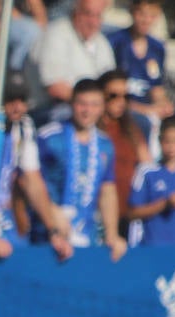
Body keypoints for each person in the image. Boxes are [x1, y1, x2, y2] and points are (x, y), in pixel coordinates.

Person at [0, 74, 73, 259]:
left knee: (19, 249)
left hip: (4, 213)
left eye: (22, 100)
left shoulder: (24, 126)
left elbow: (33, 180)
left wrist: (53, 230)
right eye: (10, 99)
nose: (17, 106)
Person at [35, 78, 127, 260]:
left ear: (102, 108)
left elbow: (107, 190)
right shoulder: (48, 137)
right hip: (47, 237)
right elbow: (32, 182)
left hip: (86, 237)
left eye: (94, 105)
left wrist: (112, 234)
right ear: (72, 104)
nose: (87, 111)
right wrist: (52, 213)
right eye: (82, 104)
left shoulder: (105, 144)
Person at [31, 0, 114, 119]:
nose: (93, 21)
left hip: (91, 110)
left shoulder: (101, 42)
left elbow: (111, 84)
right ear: (76, 12)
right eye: (88, 14)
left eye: (98, 16)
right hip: (52, 109)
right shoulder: (57, 34)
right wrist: (92, 105)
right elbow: (55, 88)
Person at [99, 68, 153, 224]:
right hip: (99, 213)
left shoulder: (132, 129)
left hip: (127, 212)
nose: (121, 101)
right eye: (113, 96)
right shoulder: (91, 131)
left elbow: (147, 166)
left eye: (126, 96)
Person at [107, 0, 172, 124]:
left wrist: (163, 104)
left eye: (152, 15)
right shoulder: (115, 42)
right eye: (142, 14)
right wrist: (144, 110)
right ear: (132, 11)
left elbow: (156, 87)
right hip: (124, 109)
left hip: (148, 110)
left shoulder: (157, 48)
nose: (146, 20)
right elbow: (109, 91)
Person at [128, 116, 175, 245]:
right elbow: (132, 213)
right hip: (151, 248)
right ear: (160, 141)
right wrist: (164, 204)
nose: (172, 147)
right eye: (168, 141)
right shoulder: (147, 172)